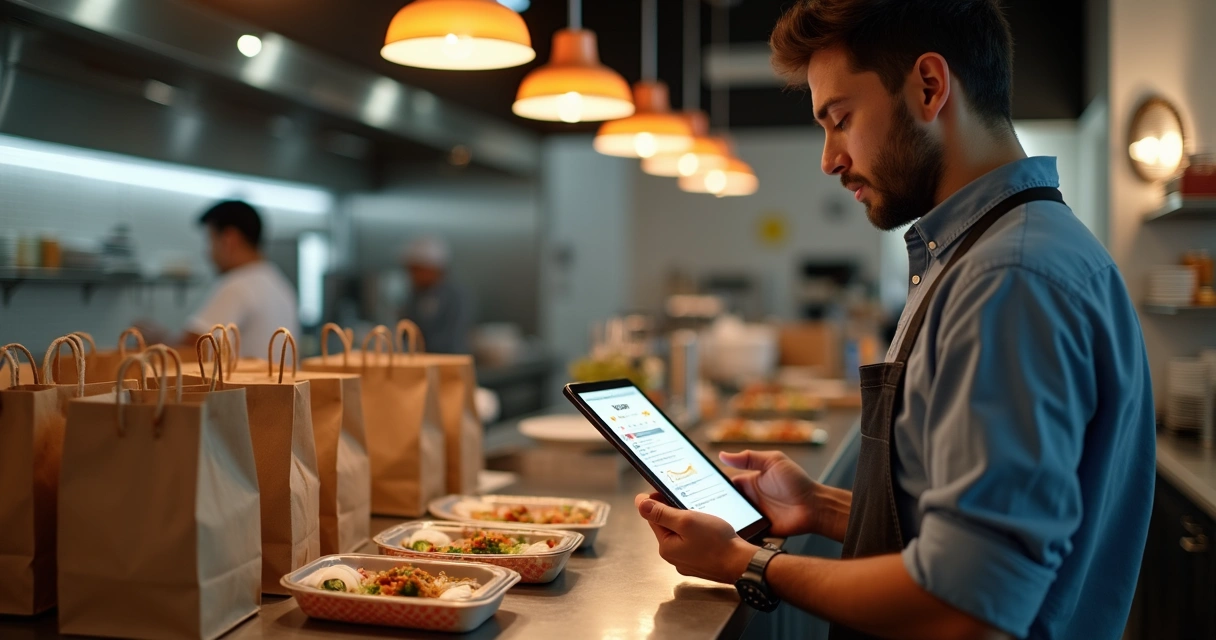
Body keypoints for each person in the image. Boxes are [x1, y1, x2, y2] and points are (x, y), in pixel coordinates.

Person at [633, 2, 1155, 640]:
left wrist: (747, 563)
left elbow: (965, 603)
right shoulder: (1001, 250)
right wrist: (820, 507)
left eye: (841, 120)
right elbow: (965, 534)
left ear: (929, 87)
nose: (829, 159)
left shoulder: (1007, 280)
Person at [142, 200, 299, 356]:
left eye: (210, 241)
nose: (208, 253)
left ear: (229, 239)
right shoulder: (280, 284)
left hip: (248, 382)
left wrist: (156, 338)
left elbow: (190, 350)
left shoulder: (238, 284)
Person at [400, 236, 472, 354]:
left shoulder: (456, 297)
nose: (411, 276)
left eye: (416, 269)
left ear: (433, 268)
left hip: (448, 362)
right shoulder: (414, 296)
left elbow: (451, 338)